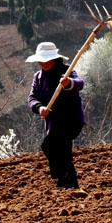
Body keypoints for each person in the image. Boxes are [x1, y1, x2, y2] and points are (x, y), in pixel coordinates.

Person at [26, 41, 86, 189]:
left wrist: (68, 83)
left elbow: (80, 83)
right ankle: (67, 181)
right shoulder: (38, 77)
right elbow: (32, 98)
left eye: (47, 60)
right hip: (54, 123)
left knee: (51, 145)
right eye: (41, 60)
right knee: (59, 150)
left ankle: (66, 180)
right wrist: (40, 108)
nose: (44, 63)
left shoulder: (66, 71)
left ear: (55, 59)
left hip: (71, 119)